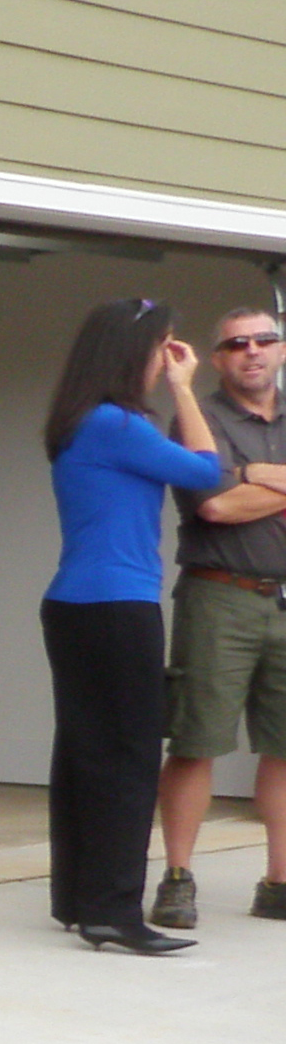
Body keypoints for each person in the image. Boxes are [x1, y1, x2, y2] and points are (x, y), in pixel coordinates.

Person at [39, 297, 246, 952]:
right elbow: (207, 472)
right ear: (136, 353)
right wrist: (188, 390)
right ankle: (115, 911)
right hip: (117, 608)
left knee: (83, 753)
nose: (169, 359)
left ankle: (79, 898)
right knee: (128, 759)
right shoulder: (116, 424)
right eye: (164, 348)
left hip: (74, 606)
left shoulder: (80, 420)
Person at [150, 303, 286, 928]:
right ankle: (178, 877)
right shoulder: (196, 418)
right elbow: (216, 507)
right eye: (236, 344)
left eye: (264, 340)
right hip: (218, 594)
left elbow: (238, 493)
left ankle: (279, 882)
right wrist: (253, 486)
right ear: (219, 356)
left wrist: (254, 475)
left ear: (281, 349)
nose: (252, 351)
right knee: (196, 741)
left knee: (284, 748)